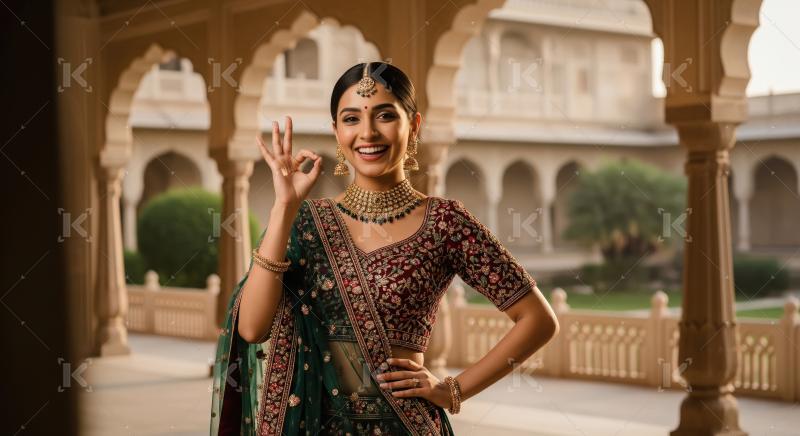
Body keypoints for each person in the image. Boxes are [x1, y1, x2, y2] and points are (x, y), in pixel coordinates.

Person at [210, 62, 560, 435]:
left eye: (385, 115)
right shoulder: (306, 221)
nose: (367, 133)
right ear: (336, 131)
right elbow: (251, 327)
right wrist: (283, 207)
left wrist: (453, 390)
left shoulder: (444, 221)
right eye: (351, 119)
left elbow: (538, 320)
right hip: (317, 426)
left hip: (403, 424)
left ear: (415, 125)